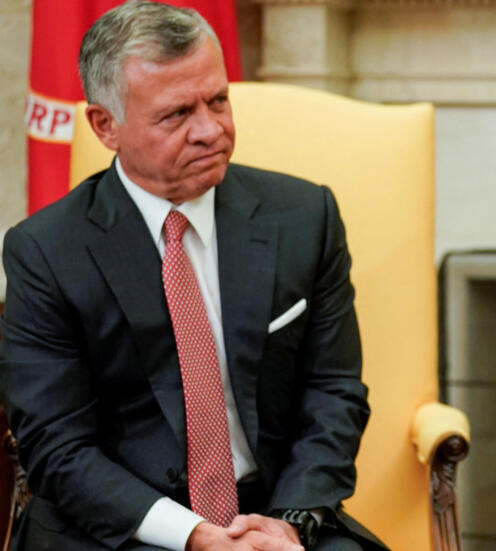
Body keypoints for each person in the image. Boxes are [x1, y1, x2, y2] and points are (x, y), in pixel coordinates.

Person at [0, 2, 388, 550]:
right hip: (121, 527)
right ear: (105, 125)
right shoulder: (45, 252)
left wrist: (288, 521)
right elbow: (57, 447)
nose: (210, 130)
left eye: (219, 101)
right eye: (177, 114)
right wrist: (193, 535)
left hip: (273, 517)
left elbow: (334, 393)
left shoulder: (306, 217)